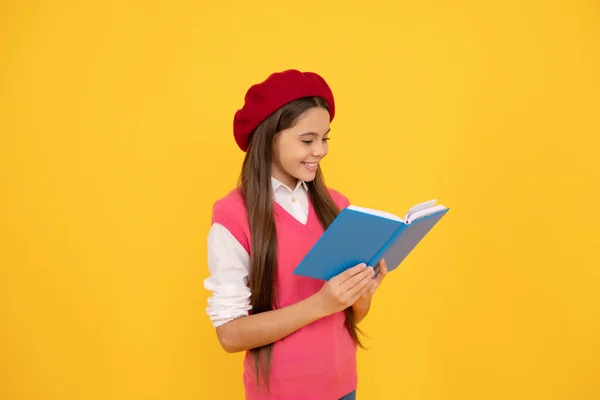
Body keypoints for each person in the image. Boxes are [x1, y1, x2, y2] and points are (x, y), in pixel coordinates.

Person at [204, 69, 388, 400]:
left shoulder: (336, 205)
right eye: (307, 140)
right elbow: (229, 335)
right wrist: (320, 303)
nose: (321, 150)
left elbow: (350, 315)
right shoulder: (233, 217)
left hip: (344, 386)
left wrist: (362, 292)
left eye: (325, 138)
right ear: (269, 137)